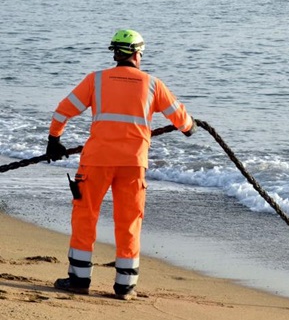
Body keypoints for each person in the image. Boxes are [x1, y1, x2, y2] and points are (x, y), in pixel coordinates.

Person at [46, 29, 197, 300]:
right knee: (129, 222)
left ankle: (79, 280)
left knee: (85, 216)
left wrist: (54, 139)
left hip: (96, 162)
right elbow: (184, 123)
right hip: (133, 165)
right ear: (139, 53)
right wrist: (190, 127)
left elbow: (63, 110)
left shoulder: (97, 80)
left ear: (115, 53)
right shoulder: (153, 84)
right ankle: (125, 286)